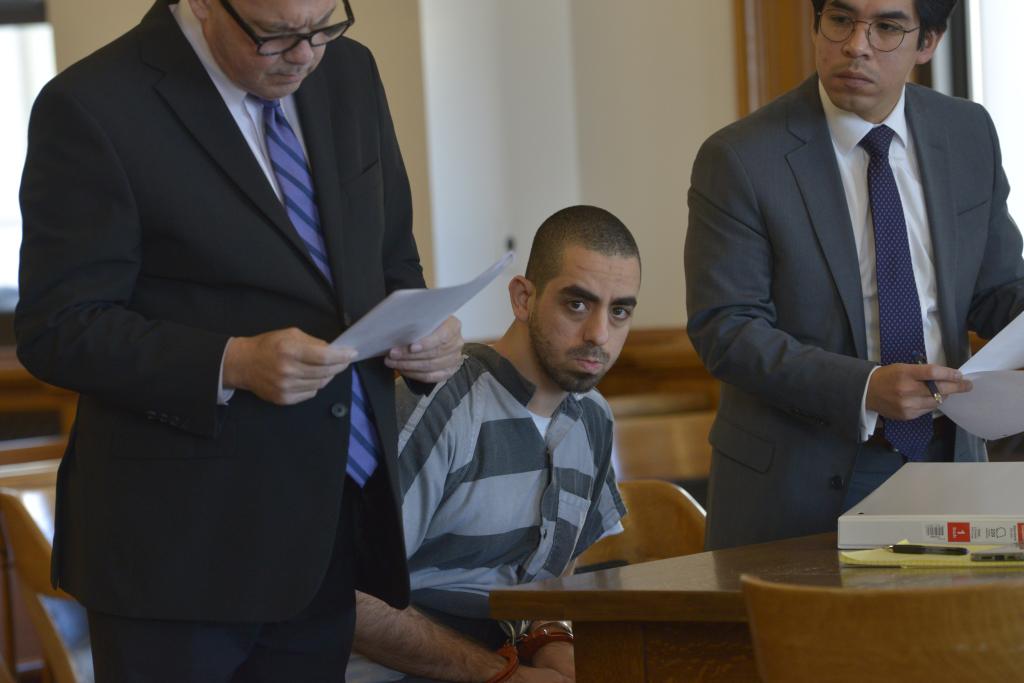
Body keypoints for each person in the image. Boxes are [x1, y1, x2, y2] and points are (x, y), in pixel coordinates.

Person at [15, 0, 463, 679]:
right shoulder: (92, 105)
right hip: (176, 558)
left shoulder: (350, 73)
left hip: (325, 530)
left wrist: (426, 333)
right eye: (278, 34)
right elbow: (58, 327)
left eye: (323, 26)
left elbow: (390, 257)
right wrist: (231, 363)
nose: (307, 54)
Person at [685, 0, 1024, 550]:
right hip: (799, 476)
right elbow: (725, 329)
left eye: (887, 27)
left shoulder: (967, 132)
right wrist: (865, 388)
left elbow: (996, 290)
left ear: (929, 41)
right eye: (840, 20)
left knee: (948, 637)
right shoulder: (741, 157)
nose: (856, 45)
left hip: (947, 454)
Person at [346, 205, 640, 683]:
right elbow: (348, 597)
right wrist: (500, 674)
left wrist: (550, 639)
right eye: (577, 304)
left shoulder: (593, 417)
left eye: (620, 310)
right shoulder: (438, 404)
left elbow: (544, 585)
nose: (599, 335)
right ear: (523, 298)